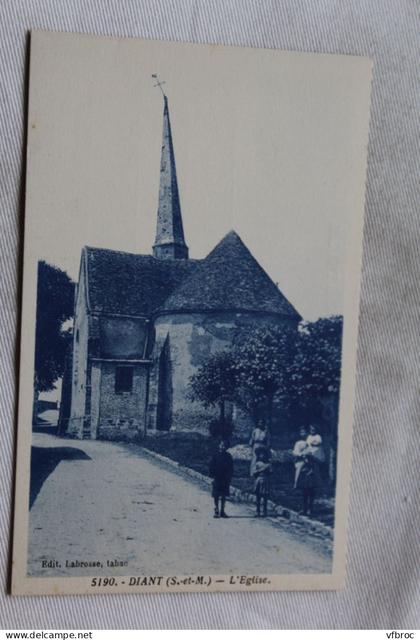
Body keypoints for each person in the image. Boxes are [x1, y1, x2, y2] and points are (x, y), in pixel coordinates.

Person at [209, 440, 234, 518]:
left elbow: (231, 467)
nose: (223, 447)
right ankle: (216, 509)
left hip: (225, 478)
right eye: (222, 445)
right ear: (219, 446)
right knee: (216, 495)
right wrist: (211, 476)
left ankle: (222, 511)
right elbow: (211, 466)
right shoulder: (215, 455)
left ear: (227, 447)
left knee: (223, 495)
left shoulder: (228, 456)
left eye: (225, 446)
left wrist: (229, 476)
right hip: (217, 477)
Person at [296, 452, 322, 516]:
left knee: (311, 497)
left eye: (307, 458)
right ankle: (304, 509)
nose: (306, 460)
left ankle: (310, 510)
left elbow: (316, 475)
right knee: (304, 497)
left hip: (311, 485)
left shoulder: (314, 465)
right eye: (305, 458)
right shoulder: (303, 465)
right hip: (305, 484)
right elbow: (299, 474)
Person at [252, 447, 272, 517]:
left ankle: (264, 511)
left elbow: (271, 472)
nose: (262, 456)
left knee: (265, 497)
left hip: (265, 480)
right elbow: (254, 473)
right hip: (259, 480)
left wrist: (268, 470)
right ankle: (257, 511)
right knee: (258, 497)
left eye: (264, 455)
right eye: (260, 454)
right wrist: (258, 471)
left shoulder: (268, 464)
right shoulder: (257, 464)